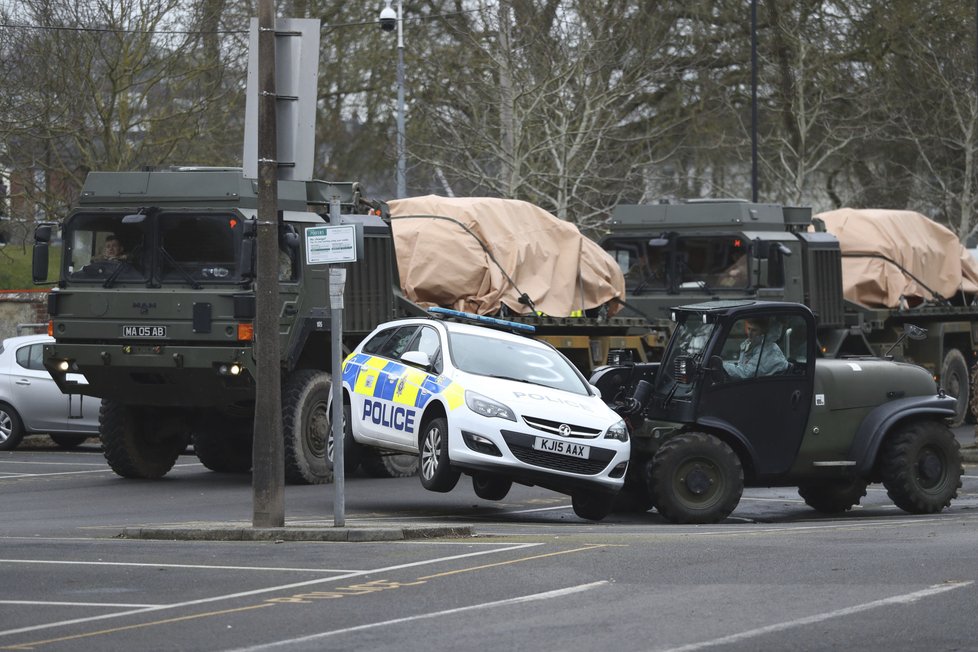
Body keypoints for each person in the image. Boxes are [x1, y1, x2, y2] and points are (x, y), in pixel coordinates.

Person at [723, 316, 789, 379]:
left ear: (762, 332)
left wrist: (723, 366)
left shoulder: (767, 350)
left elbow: (746, 374)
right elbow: (742, 366)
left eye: (754, 330)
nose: (750, 333)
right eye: (749, 329)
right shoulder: (752, 344)